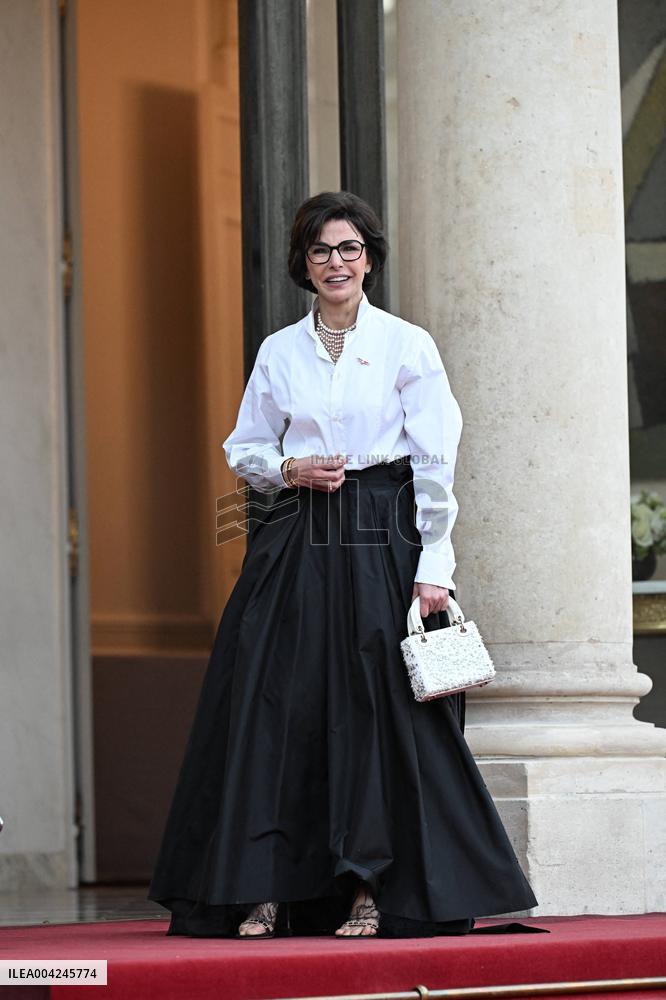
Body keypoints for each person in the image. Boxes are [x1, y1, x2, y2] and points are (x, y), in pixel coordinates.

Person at [147, 190, 541, 940]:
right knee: (272, 701)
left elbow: (435, 462)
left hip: (380, 534)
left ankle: (369, 886)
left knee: (373, 706)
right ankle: (263, 886)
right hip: (295, 538)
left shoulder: (406, 345)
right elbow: (245, 447)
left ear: (370, 259)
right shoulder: (279, 350)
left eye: (350, 248)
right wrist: (289, 469)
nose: (337, 262)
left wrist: (436, 567)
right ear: (304, 262)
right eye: (322, 250)